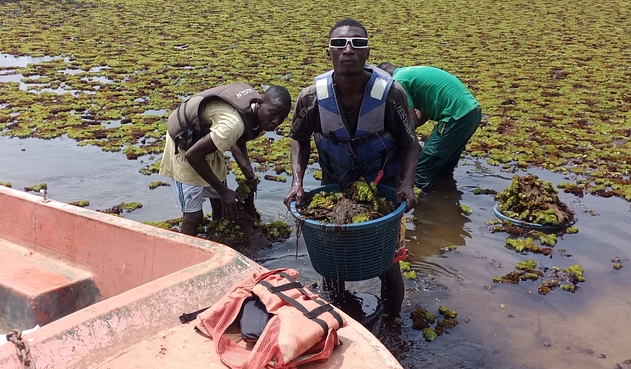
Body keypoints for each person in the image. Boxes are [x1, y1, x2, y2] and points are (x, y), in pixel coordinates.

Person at [284, 19, 419, 315]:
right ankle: (338, 316)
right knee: (332, 260)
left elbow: (411, 144)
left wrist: (407, 184)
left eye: (357, 43)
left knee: (389, 263)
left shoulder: (391, 94)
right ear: (328, 52)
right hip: (337, 184)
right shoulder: (311, 97)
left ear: (367, 52)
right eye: (340, 44)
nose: (348, 50)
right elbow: (298, 139)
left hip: (383, 186)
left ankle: (393, 323)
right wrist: (297, 182)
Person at [160, 83, 292, 236]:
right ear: (261, 103)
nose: (276, 122)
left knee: (222, 207)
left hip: (207, 141)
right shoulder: (232, 125)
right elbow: (193, 155)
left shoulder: (259, 120)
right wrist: (223, 191)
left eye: (281, 119)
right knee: (194, 216)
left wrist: (249, 175)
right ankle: (184, 256)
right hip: (184, 145)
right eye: (273, 114)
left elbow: (237, 141)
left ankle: (215, 241)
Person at [377, 63, 481, 192]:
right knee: (443, 167)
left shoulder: (398, 81)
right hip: (472, 113)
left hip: (456, 117)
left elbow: (410, 122)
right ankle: (447, 200)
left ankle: (427, 205)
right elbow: (422, 116)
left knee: (421, 169)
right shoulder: (410, 73)